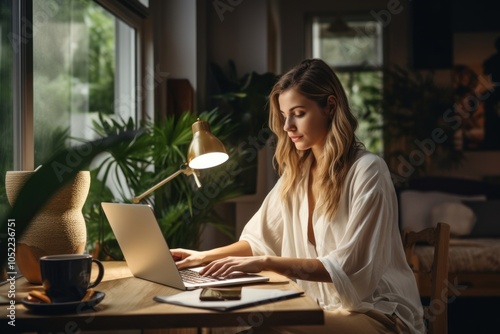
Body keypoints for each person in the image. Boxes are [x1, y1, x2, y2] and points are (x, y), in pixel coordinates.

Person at [172, 59, 425, 334]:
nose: (288, 126)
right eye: (284, 115)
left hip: (377, 312)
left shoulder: (368, 170)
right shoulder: (297, 175)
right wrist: (203, 257)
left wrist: (267, 263)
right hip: (320, 307)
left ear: (330, 106)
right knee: (240, 319)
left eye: (299, 113)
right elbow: (258, 240)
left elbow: (350, 266)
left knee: (265, 326)